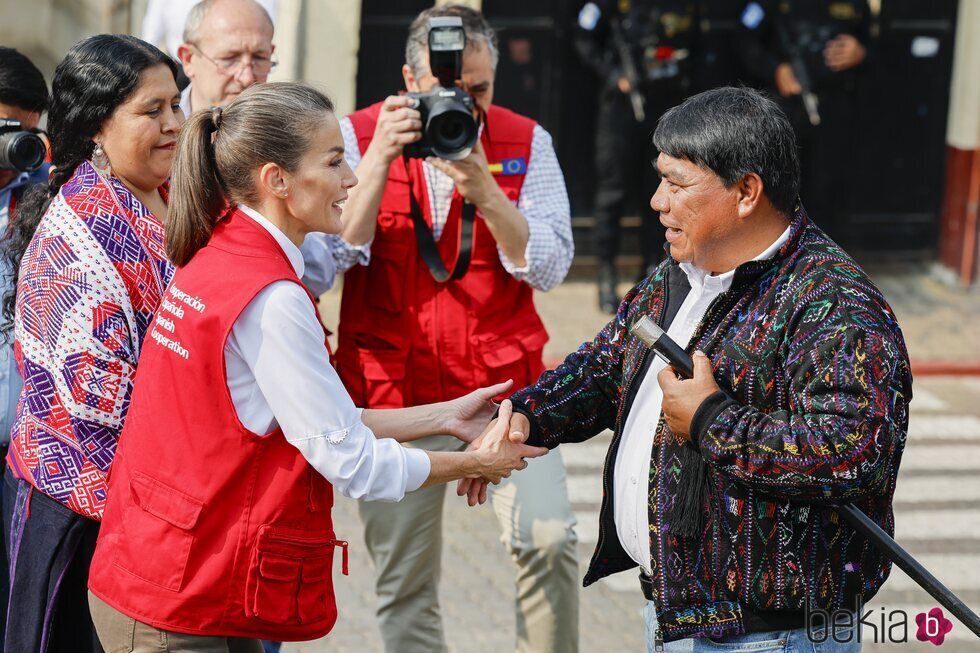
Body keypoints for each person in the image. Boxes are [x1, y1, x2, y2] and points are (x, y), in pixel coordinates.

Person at [85, 80, 545, 651]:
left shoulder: (223, 253)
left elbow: (310, 419)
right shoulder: (271, 295)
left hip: (182, 573)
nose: (350, 178)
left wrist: (446, 417)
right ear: (276, 180)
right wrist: (474, 463)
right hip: (176, 596)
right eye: (333, 161)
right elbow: (348, 460)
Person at [462, 87, 912, 651]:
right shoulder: (686, 269)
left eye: (677, 184)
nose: (657, 201)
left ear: (747, 191)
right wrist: (527, 415)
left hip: (772, 638)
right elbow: (608, 365)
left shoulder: (834, 304)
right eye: (660, 181)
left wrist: (711, 420)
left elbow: (855, 454)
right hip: (676, 618)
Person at [0, 33, 332, 653]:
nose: (174, 124)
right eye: (151, 112)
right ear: (97, 125)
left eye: (175, 106)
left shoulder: (179, 194)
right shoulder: (77, 243)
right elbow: (103, 418)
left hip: (186, 509)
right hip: (97, 519)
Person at [335, 5, 579, 652]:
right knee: (405, 580)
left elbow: (551, 265)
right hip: (397, 396)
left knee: (549, 538)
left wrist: (488, 192)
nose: (465, 104)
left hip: (503, 389)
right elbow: (334, 256)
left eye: (480, 89)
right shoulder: (355, 136)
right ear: (410, 80)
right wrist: (380, 160)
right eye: (450, 87)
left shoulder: (525, 140)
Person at [573, 0, 697, 312]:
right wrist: (614, 74)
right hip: (620, 110)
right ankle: (606, 273)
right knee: (612, 192)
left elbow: (692, 41)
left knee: (658, 191)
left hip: (665, 107)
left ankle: (654, 269)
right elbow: (584, 38)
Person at [737, 0, 871, 244]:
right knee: (779, 189)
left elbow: (877, 46)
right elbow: (744, 42)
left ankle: (826, 261)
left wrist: (861, 53)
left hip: (835, 107)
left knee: (830, 187)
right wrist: (775, 70)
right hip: (784, 110)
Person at [0, 44, 49, 650]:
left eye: (29, 135)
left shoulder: (42, 195)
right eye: (7, 131)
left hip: (23, 455)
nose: (18, 152)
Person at [176, 0, 276, 116]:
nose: (247, 78)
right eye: (230, 59)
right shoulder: (159, 130)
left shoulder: (291, 130)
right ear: (188, 59)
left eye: (260, 58)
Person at [142, 0, 278, 61]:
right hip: (178, 66)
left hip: (237, 62)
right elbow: (154, 24)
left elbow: (264, 25)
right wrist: (148, 60)